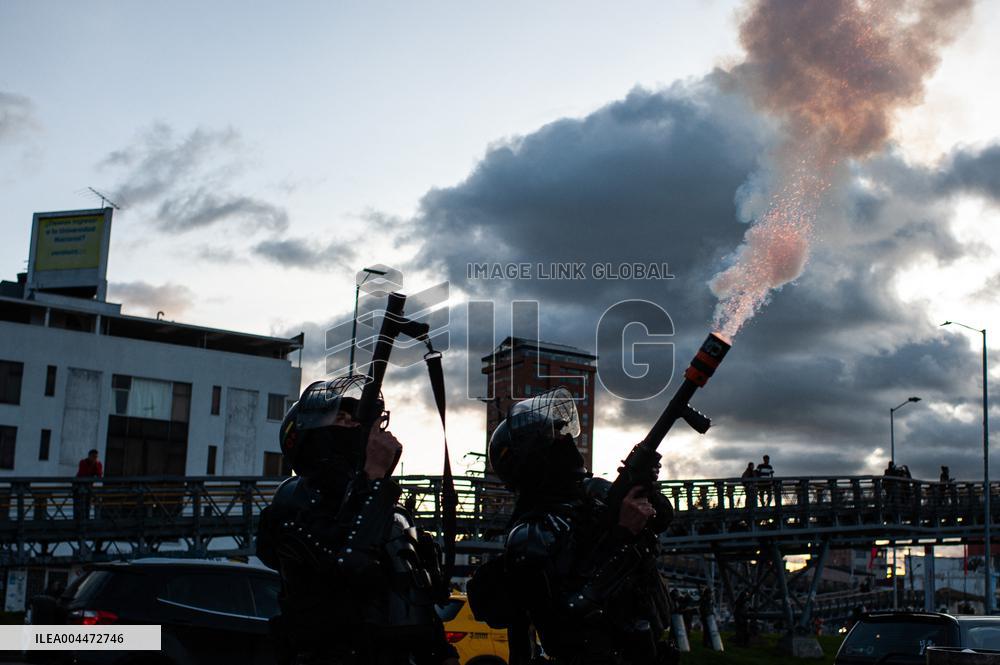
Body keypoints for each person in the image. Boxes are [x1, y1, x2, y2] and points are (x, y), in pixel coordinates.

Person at [256, 377, 459, 665]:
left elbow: (415, 604)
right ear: (313, 435)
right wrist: (375, 479)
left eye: (364, 420)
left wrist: (443, 654)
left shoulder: (390, 510)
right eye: (344, 418)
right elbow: (347, 566)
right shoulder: (296, 500)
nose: (362, 426)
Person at [467, 388, 676, 665]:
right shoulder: (532, 534)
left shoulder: (593, 494)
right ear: (534, 460)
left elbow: (660, 518)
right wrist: (621, 536)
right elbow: (565, 615)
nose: (566, 442)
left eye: (564, 433)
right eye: (554, 438)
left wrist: (643, 486)